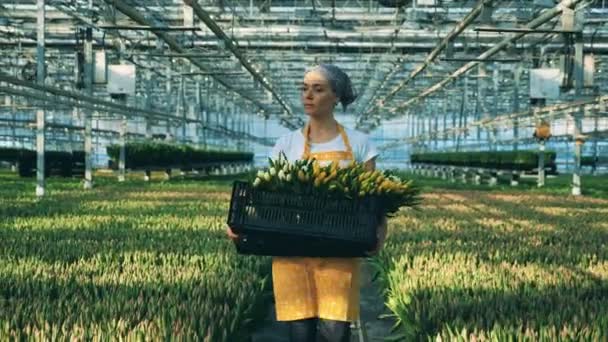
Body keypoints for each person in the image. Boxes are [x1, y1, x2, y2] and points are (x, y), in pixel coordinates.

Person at [227, 64, 387, 342]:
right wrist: (244, 227)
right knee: (299, 332)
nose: (308, 95)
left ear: (336, 96)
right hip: (292, 250)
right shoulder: (285, 145)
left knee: (335, 332)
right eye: (304, 88)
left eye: (318, 89)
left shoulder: (360, 144)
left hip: (339, 249)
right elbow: (269, 201)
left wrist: (380, 232)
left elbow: (372, 200)